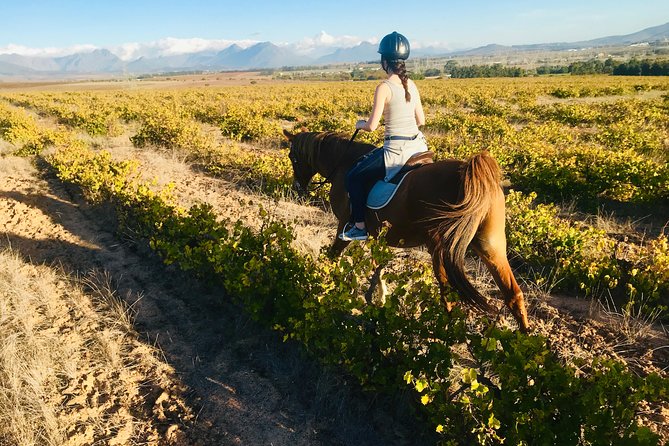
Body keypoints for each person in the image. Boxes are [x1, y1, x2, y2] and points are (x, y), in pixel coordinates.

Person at [339, 31, 428, 241]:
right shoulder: (412, 84)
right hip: (418, 148)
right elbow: (421, 121)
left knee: (353, 177)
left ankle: (359, 226)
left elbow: (371, 126)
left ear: (384, 61)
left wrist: (359, 124)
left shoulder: (384, 87)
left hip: (396, 152)